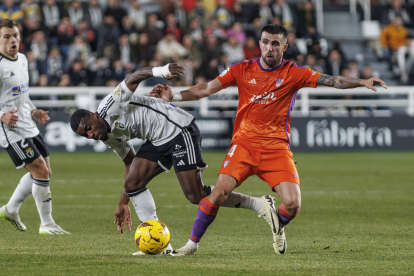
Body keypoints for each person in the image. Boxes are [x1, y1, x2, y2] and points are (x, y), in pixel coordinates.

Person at [150, 24, 387, 256]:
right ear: (260, 44)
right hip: (243, 145)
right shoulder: (242, 69)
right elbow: (206, 89)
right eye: (265, 42)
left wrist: (362, 82)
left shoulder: (294, 73)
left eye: (275, 43)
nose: (269, 48)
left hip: (276, 149)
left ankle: (278, 224)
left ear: (285, 46)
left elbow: (331, 80)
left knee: (293, 206)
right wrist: (175, 95)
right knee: (219, 192)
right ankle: (191, 245)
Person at [69, 63, 277, 255]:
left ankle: (259, 204)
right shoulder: (107, 138)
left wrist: (161, 70)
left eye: (88, 128)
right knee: (133, 183)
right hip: (156, 140)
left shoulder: (111, 104)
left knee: (195, 195)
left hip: (178, 129)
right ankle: (160, 245)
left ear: (93, 116)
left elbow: (133, 77)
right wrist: (124, 202)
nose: (90, 135)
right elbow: (130, 163)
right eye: (85, 135)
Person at [0, 19, 69, 234]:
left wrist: (33, 110)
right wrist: (1, 115)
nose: (13, 40)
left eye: (16, 36)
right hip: (11, 131)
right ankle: (47, 224)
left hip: (28, 124)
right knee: (40, 170)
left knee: (45, 172)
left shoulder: (21, 59)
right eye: (7, 36)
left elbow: (23, 95)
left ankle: (10, 209)